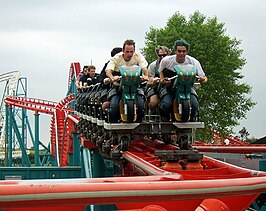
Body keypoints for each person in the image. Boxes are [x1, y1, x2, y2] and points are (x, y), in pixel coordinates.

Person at [159, 39, 208, 121]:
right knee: (166, 105)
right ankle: (166, 119)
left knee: (195, 105)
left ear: (187, 51)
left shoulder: (193, 62)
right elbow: (160, 71)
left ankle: (192, 119)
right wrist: (162, 80)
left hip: (187, 88)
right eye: (179, 51)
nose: (181, 53)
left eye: (184, 51)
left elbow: (204, 77)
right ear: (175, 51)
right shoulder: (166, 61)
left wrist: (203, 79)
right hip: (170, 87)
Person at [105, 39, 149, 123]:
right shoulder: (117, 58)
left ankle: (139, 122)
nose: (129, 54)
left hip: (134, 84)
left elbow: (144, 67)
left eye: (131, 52)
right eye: (127, 51)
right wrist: (112, 78)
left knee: (141, 104)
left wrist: (146, 75)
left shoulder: (138, 56)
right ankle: (113, 124)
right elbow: (108, 71)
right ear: (123, 51)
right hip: (119, 84)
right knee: (114, 106)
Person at [146, 46, 171, 112]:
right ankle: (150, 113)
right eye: (160, 55)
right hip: (156, 88)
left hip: (169, 87)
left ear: (168, 54)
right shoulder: (153, 65)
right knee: (153, 103)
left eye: (164, 55)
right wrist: (154, 81)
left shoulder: (172, 64)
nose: (162, 57)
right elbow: (148, 82)